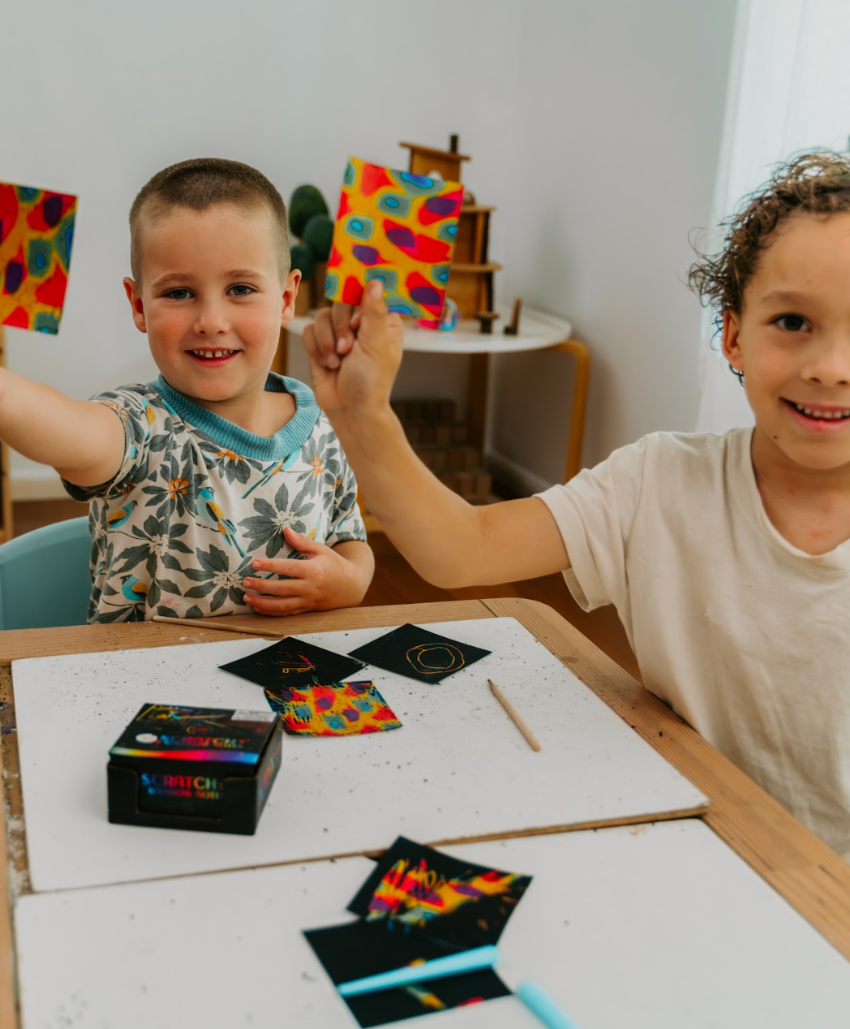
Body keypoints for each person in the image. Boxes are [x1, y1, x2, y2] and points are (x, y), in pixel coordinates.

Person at [304, 150, 850, 861]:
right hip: (686, 836)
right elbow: (461, 547)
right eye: (794, 322)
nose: (831, 367)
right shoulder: (660, 481)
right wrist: (363, 417)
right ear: (734, 333)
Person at [1, 157, 373, 622]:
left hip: (285, 681)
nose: (211, 322)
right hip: (142, 685)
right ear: (138, 304)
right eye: (179, 293)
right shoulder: (138, 426)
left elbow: (348, 535)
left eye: (240, 288)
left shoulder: (318, 423)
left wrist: (353, 580)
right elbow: (65, 428)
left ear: (286, 299)